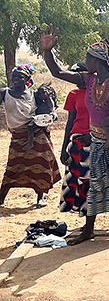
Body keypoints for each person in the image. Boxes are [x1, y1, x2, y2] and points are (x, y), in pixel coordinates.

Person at [42, 25, 109, 243]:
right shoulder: (88, 79)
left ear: (96, 61)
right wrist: (48, 51)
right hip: (97, 139)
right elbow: (57, 72)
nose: (85, 62)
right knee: (95, 181)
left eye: (87, 59)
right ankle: (89, 229)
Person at [0, 64, 61, 207]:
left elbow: (49, 109)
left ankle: (40, 198)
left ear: (27, 78)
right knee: (13, 167)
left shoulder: (34, 95)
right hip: (18, 135)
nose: (16, 79)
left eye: (20, 76)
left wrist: (50, 108)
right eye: (14, 76)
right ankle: (1, 198)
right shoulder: (4, 93)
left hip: (37, 134)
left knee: (41, 165)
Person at [59, 62, 92, 217]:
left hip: (94, 141)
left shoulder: (99, 93)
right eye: (78, 76)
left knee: (89, 181)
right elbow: (70, 122)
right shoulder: (73, 94)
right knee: (75, 178)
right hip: (76, 142)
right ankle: (81, 214)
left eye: (85, 75)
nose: (82, 79)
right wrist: (64, 148)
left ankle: (89, 218)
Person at [25, 83, 58, 151]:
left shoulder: (49, 100)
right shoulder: (40, 101)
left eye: (43, 93)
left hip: (46, 118)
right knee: (30, 126)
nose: (41, 95)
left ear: (49, 92)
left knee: (31, 127)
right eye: (39, 94)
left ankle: (30, 142)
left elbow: (51, 107)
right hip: (39, 118)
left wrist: (48, 96)